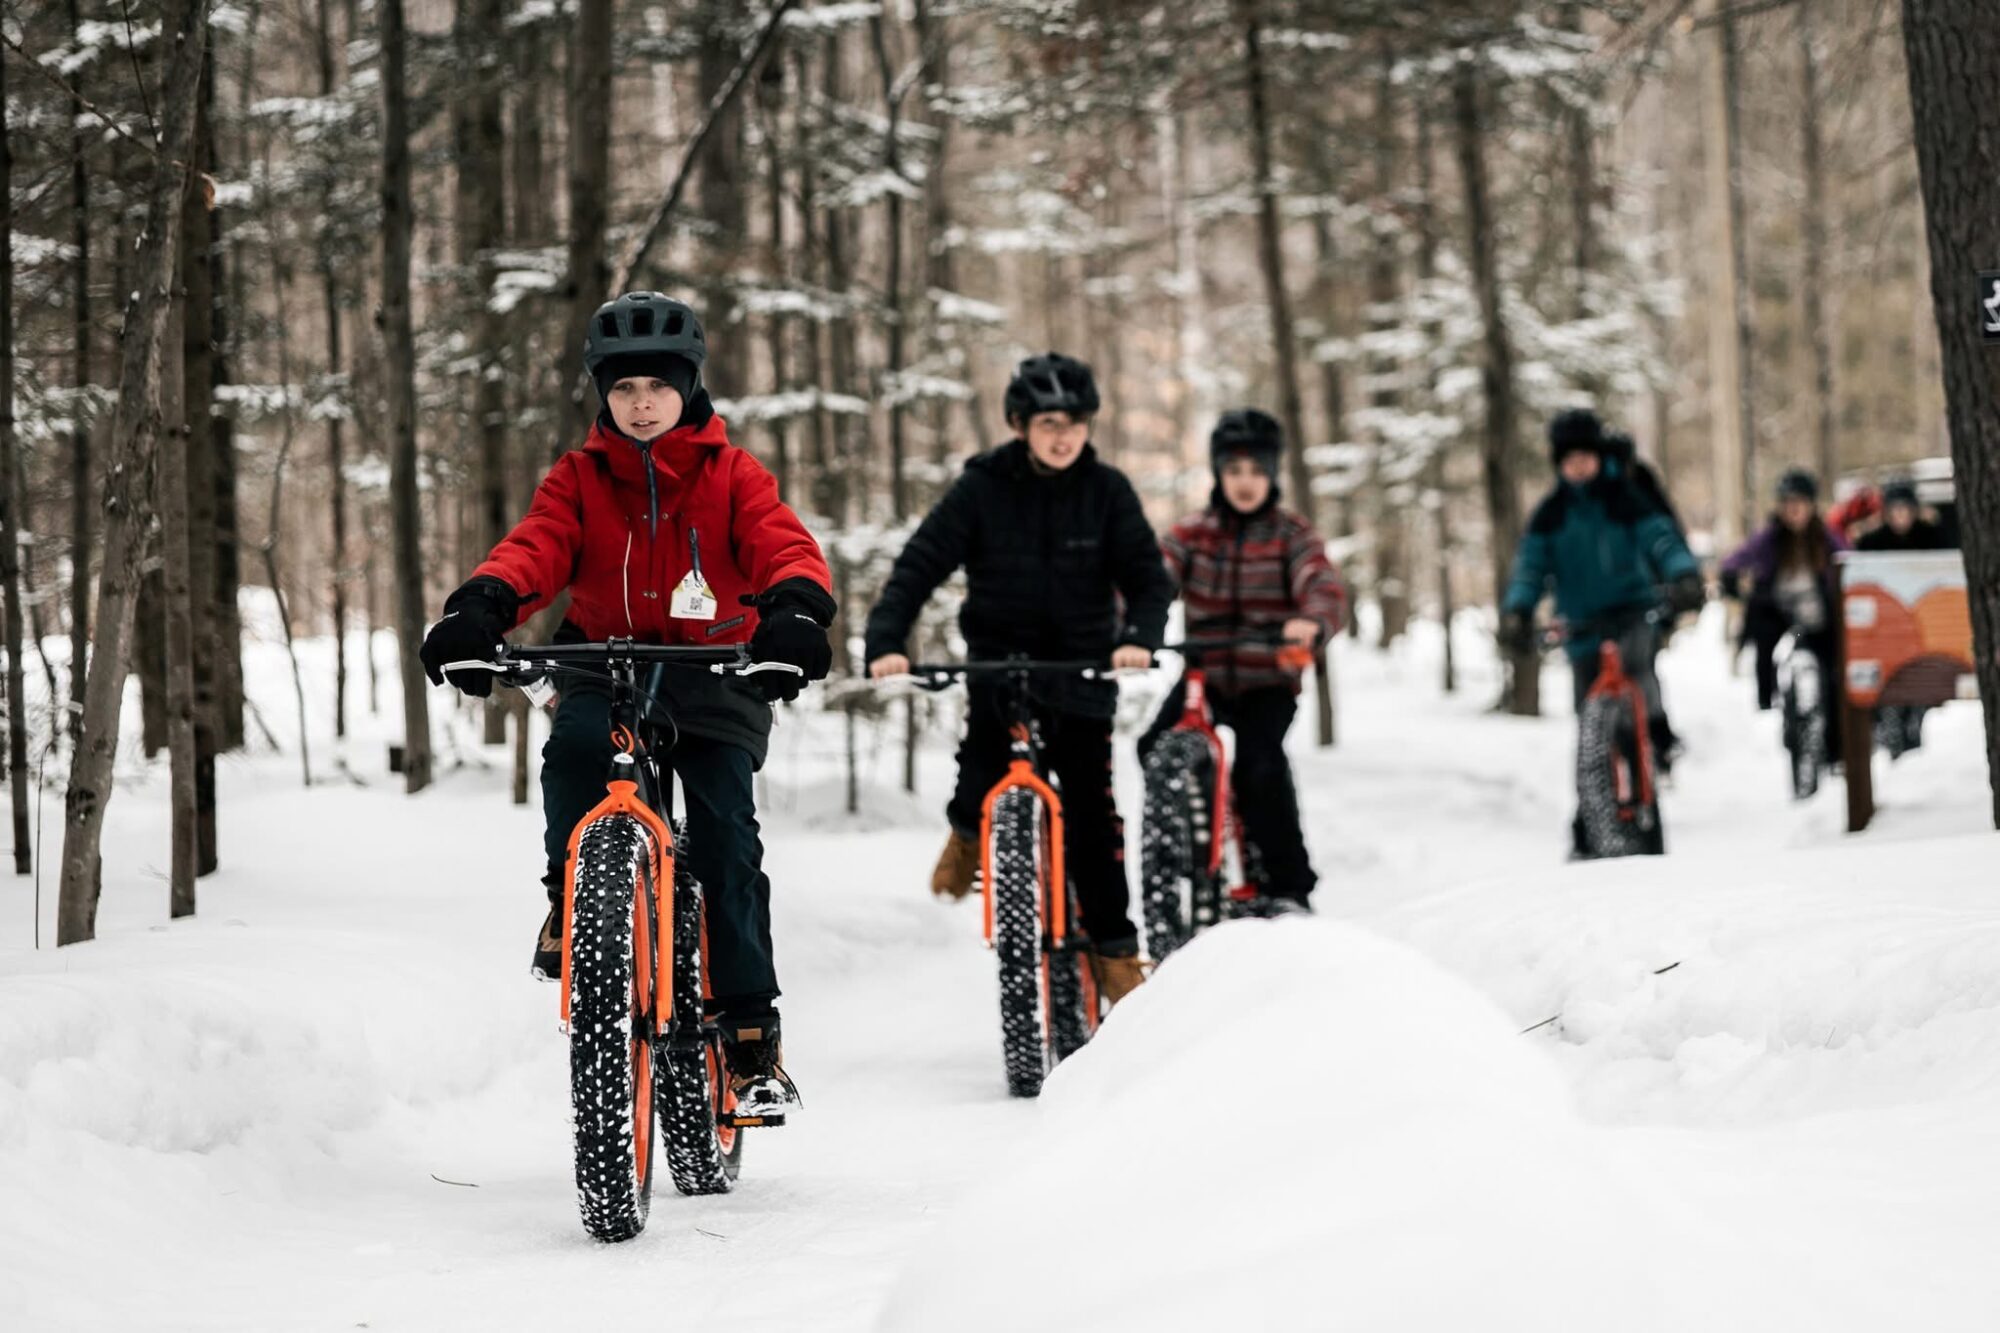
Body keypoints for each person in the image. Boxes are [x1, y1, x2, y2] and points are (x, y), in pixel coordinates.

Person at [418, 291, 834, 1117]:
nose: (640, 403)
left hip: (719, 670)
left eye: (657, 385)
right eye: (622, 388)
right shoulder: (579, 477)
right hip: (604, 661)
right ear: (601, 395)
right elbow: (537, 544)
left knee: (723, 836)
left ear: (689, 387)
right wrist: (483, 605)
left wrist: (793, 612)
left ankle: (751, 1032)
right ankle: (570, 903)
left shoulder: (731, 474)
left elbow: (780, 541)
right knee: (573, 752)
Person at [863, 352, 1173, 1006]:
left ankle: (1116, 952)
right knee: (982, 766)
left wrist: (1139, 638)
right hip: (1000, 663)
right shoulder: (981, 488)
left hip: (1083, 667)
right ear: (1019, 423)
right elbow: (920, 564)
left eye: (1075, 424)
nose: (1063, 436)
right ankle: (969, 832)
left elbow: (1148, 577)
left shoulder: (1107, 491)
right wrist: (888, 640)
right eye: (1049, 422)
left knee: (1093, 816)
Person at [1137, 408, 1345, 913]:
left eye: (1256, 471)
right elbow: (1152, 579)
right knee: (1152, 746)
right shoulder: (1193, 533)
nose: (1245, 483)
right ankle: (1186, 853)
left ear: (1272, 473)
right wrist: (1132, 625)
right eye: (1234, 471)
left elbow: (1321, 584)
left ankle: (1288, 886)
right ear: (1218, 473)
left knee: (1259, 764)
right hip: (1203, 675)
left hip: (1266, 677)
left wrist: (1311, 621)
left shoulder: (1290, 534)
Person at [1498, 409, 1704, 855]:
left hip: (1631, 613)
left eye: (1586, 457)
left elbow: (1661, 538)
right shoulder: (1551, 514)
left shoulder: (1624, 497)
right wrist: (1517, 609)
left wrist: (1684, 574)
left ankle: (1651, 760)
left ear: (1598, 456)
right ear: (1558, 463)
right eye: (1569, 460)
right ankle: (1590, 811)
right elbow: (1530, 569)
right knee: (1588, 718)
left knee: (1639, 684)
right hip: (1582, 626)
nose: (1578, 467)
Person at [1719, 467, 1848, 754]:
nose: (1793, 511)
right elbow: (1737, 558)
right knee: (1765, 638)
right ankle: (1768, 702)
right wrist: (1730, 575)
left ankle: (1835, 746)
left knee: (1834, 676)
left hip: (1819, 620)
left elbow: (1850, 562)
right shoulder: (1770, 538)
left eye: (1799, 503)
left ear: (1811, 506)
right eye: (1786, 504)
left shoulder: (1826, 538)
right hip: (1783, 619)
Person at [1855, 479, 1947, 755]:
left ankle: (1912, 737)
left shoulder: (1931, 536)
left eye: (1905, 511)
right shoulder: (1872, 541)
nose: (1900, 518)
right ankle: (1890, 732)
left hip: (1923, 628)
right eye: (1894, 511)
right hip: (1887, 630)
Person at [1856, 479, 1948, 552]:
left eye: (1905, 508)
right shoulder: (1872, 541)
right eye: (1895, 509)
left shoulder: (1930, 537)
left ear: (1914, 512)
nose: (1900, 514)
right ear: (1886, 514)